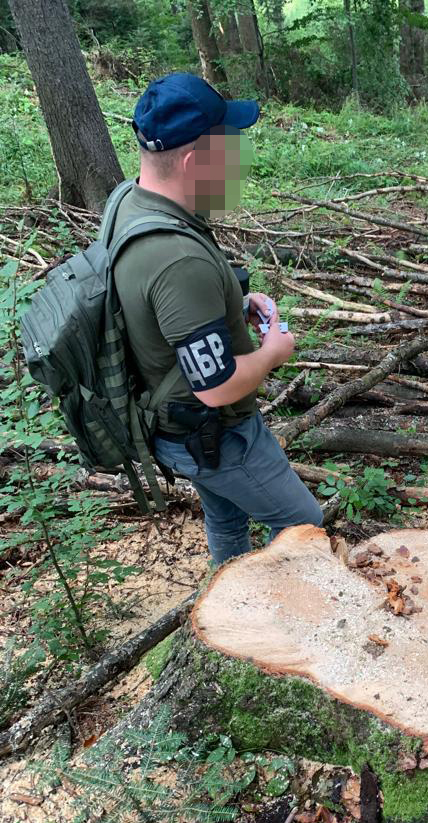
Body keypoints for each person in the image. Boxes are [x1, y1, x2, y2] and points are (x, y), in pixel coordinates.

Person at [106, 71, 325, 566]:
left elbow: (163, 309)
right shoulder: (177, 259)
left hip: (180, 429)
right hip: (216, 433)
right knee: (304, 527)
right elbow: (217, 385)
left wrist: (234, 307)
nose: (237, 160)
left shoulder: (132, 202)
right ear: (193, 160)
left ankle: (227, 595)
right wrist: (272, 353)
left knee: (226, 514)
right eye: (228, 147)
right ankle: (289, 628)